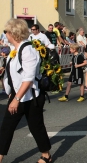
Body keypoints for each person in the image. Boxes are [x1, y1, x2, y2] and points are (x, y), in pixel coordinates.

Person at [0, 18, 51, 163]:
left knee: (36, 127)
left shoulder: (28, 50)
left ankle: (46, 155)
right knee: (7, 127)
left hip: (30, 97)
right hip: (17, 94)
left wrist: (16, 100)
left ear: (13, 33)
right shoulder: (14, 50)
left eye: (6, 32)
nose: (5, 35)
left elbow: (28, 78)